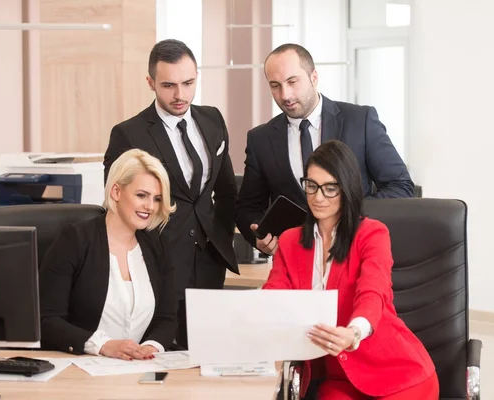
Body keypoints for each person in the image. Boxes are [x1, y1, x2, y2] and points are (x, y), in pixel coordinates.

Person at [262, 140, 438, 399]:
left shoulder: (372, 234)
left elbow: (373, 291)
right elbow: (273, 296)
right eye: (311, 185)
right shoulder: (290, 241)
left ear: (347, 189)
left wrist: (353, 332)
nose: (318, 197)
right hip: (338, 378)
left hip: (396, 372)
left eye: (330, 188)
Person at [103, 39, 239, 349]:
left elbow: (227, 190)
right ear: (150, 82)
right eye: (168, 85)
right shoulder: (129, 133)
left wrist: (222, 235)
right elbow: (118, 206)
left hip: (209, 261)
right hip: (159, 259)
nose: (180, 95)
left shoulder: (213, 119)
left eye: (188, 83)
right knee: (164, 350)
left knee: (207, 351)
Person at [235, 43, 414, 256]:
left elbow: (400, 186)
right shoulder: (260, 139)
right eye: (275, 85)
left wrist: (346, 215)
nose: (285, 95)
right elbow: (247, 207)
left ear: (314, 77)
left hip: (355, 253)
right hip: (296, 262)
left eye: (293, 82)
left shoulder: (360, 120)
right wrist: (259, 237)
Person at [40, 149, 178, 360]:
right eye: (141, 195)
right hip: (80, 369)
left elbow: (167, 318)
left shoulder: (156, 244)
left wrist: (152, 347)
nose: (150, 206)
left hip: (138, 369)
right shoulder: (75, 239)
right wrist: (102, 345)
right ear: (116, 192)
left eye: (157, 198)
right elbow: (47, 320)